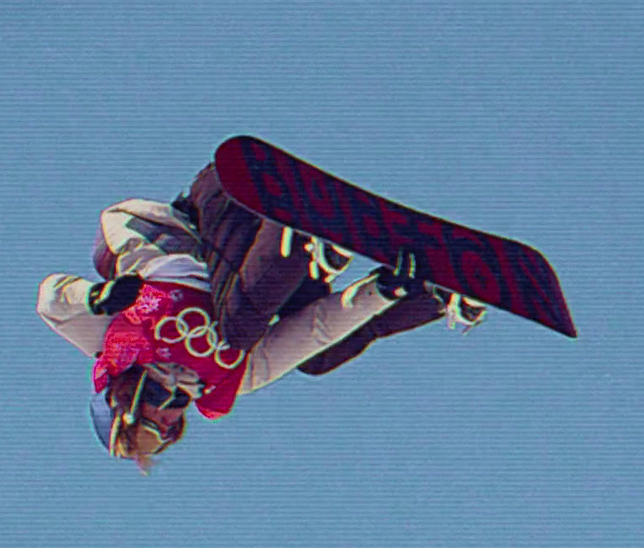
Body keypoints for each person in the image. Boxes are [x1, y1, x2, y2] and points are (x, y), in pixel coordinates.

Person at [37, 161, 485, 472]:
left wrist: (95, 296)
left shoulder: (117, 343)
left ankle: (303, 242)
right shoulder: (225, 381)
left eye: (153, 428)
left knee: (236, 331)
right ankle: (431, 291)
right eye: (168, 435)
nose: (171, 422)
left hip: (218, 209)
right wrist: (384, 292)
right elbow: (315, 331)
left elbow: (51, 304)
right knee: (317, 358)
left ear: (125, 402)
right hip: (264, 260)